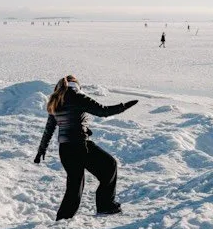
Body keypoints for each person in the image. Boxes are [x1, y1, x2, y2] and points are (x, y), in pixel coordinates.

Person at [34, 75, 138, 220]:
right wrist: (124, 106)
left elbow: (49, 128)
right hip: (81, 146)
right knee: (109, 165)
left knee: (75, 184)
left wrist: (41, 150)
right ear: (76, 85)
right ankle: (106, 206)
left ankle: (63, 218)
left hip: (65, 149)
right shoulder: (77, 97)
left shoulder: (56, 101)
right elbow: (103, 111)